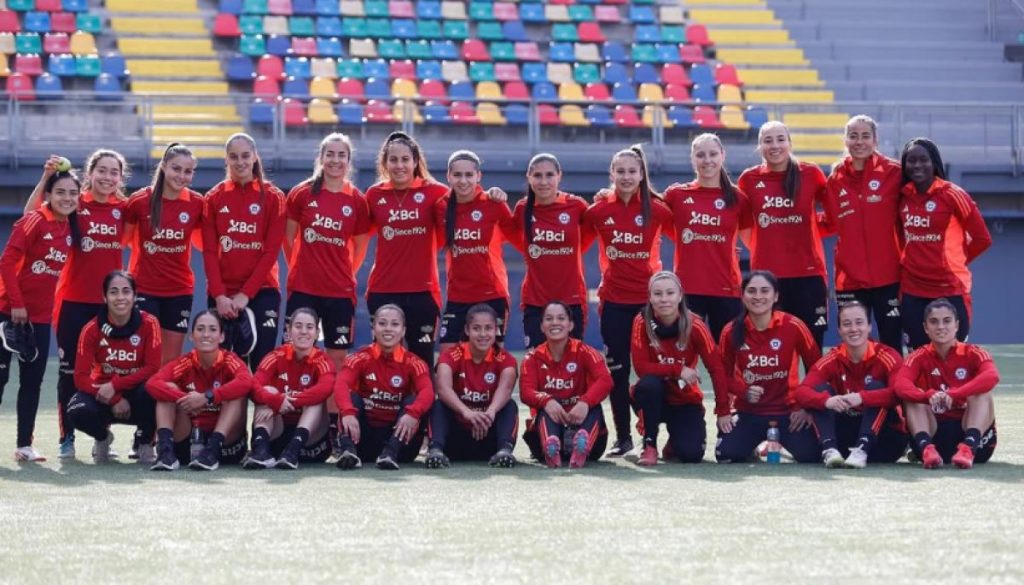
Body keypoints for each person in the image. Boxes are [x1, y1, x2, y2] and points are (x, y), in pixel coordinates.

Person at [23, 151, 130, 459]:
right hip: (72, 304)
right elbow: (31, 216)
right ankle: (66, 438)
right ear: (89, 173)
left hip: (110, 308)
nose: (108, 177)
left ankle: (101, 437)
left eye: (114, 173)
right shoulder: (74, 202)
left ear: (120, 179)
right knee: (68, 374)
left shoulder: (123, 209)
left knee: (108, 371)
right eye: (102, 171)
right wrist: (45, 179)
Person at [583, 145, 673, 457]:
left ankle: (656, 438)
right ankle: (623, 438)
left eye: (632, 171)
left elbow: (689, 233)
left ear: (641, 174)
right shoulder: (598, 210)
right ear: (611, 174)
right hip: (614, 303)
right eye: (619, 171)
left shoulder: (657, 209)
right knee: (617, 374)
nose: (625, 176)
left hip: (649, 306)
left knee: (653, 372)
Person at [0, 170, 79, 462]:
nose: (67, 198)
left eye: (73, 193)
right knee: (1, 379)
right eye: (60, 192)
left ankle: (24, 445)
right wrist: (17, 305)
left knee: (32, 382)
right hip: (8, 311)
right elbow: (6, 262)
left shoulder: (70, 227)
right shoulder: (35, 219)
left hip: (41, 318)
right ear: (48, 194)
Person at [360, 132, 450, 368]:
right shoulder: (374, 194)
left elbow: (447, 233)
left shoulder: (437, 192)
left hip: (423, 292)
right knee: (383, 360)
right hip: (383, 290)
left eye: (405, 159)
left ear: (415, 161)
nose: (399, 166)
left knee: (422, 360)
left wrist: (492, 195)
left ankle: (422, 407)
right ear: (385, 163)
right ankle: (380, 406)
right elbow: (357, 235)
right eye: (393, 160)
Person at [738, 122, 830, 349]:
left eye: (780, 139)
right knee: (770, 347)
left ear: (789, 143)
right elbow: (744, 225)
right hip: (767, 278)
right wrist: (766, 247)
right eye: (768, 140)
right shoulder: (748, 180)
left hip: (808, 275)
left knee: (812, 346)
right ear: (760, 146)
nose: (775, 145)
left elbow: (834, 214)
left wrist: (810, 229)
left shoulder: (811, 173)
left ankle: (812, 387)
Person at [716, 270, 822, 463]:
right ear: (742, 295)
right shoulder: (730, 331)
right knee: (727, 455)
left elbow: (817, 369)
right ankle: (753, 446)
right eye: (752, 291)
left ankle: (781, 444)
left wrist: (805, 407)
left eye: (765, 291)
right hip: (748, 412)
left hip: (789, 413)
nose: (758, 297)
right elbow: (721, 375)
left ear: (776, 296)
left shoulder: (793, 326)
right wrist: (742, 392)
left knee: (813, 455)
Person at [283, 133, 369, 367]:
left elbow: (361, 247)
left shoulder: (357, 201)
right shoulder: (301, 193)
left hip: (339, 291)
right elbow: (287, 239)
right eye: (330, 154)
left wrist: (343, 272)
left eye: (342, 155)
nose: (335, 160)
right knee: (296, 352)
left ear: (348, 161)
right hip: (303, 287)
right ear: (321, 158)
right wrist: (300, 267)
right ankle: (297, 402)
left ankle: (331, 406)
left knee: (337, 357)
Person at [202, 133, 286, 369]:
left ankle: (263, 408)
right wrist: (219, 296)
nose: (240, 162)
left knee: (263, 365)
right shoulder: (213, 198)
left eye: (245, 156)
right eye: (233, 156)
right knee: (225, 368)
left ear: (255, 157)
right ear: (226, 160)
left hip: (263, 292)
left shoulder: (274, 197)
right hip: (223, 296)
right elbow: (209, 251)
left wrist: (246, 294)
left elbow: (271, 252)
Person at [898, 138, 992, 349]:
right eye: (911, 161)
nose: (917, 165)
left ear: (935, 163)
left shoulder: (953, 195)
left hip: (950, 289)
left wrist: (955, 260)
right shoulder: (903, 196)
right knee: (918, 356)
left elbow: (982, 239)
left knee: (953, 357)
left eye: (924, 160)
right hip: (913, 290)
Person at [629, 272, 729, 466]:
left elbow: (717, 369)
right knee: (648, 384)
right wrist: (679, 369)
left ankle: (675, 441)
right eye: (657, 294)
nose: (664, 299)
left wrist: (723, 409)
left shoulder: (695, 325)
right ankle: (649, 445)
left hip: (684, 399)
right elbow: (641, 368)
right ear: (650, 297)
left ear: (680, 295)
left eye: (669, 293)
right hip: (654, 397)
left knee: (691, 455)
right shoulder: (641, 322)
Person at [794, 301, 908, 468]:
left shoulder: (887, 355)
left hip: (883, 442)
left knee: (876, 388)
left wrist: (861, 398)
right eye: (847, 324)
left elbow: (899, 393)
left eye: (859, 322)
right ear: (839, 330)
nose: (854, 329)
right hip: (844, 439)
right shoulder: (832, 358)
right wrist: (826, 401)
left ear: (869, 327)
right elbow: (801, 391)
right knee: (821, 391)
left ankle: (862, 449)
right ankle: (829, 450)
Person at [825, 115, 904, 352]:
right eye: (853, 136)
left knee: (891, 341)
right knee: (854, 344)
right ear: (846, 141)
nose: (859, 141)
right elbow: (831, 222)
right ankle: (856, 390)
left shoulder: (895, 173)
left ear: (875, 140)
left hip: (889, 278)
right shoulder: (835, 179)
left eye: (865, 136)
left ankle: (897, 390)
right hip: (849, 280)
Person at [66, 271, 161, 464]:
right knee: (76, 410)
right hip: (103, 396)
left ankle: (145, 442)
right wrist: (114, 397)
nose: (120, 297)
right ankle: (102, 438)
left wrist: (116, 386)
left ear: (135, 296)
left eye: (126, 291)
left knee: (156, 391)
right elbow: (80, 378)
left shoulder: (149, 323)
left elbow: (152, 368)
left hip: (136, 396)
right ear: (104, 297)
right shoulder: (91, 329)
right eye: (113, 292)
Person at [663, 133, 750, 341]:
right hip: (687, 290)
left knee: (729, 356)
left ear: (722, 155)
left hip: (727, 289)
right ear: (692, 158)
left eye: (713, 154)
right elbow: (652, 213)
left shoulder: (738, 198)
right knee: (684, 356)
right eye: (700, 155)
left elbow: (753, 240)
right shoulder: (676, 195)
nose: (707, 160)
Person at [894, 299, 998, 469]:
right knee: (911, 396)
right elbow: (900, 385)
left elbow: (992, 376)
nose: (941, 327)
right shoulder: (917, 356)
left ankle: (967, 448)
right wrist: (926, 396)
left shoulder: (974, 353)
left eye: (947, 321)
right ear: (926, 328)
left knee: (983, 392)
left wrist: (955, 394)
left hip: (975, 440)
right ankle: (926, 448)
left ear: (957, 325)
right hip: (934, 436)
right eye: (934, 322)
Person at [124, 143, 204, 364]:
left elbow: (203, 244)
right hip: (144, 289)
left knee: (170, 360)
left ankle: (163, 399)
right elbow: (123, 241)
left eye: (188, 171)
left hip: (179, 290)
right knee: (141, 357)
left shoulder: (197, 203)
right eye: (176, 169)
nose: (181, 176)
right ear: (164, 167)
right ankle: (140, 400)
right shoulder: (140, 201)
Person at [145, 310, 252, 471]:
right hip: (188, 441)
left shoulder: (230, 360)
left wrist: (207, 397)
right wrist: (186, 398)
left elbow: (247, 382)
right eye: (200, 329)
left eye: (213, 329)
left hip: (225, 446)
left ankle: (212, 450)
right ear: (191, 336)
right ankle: (166, 453)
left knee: (236, 391)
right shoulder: (184, 362)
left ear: (222, 337)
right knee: (167, 388)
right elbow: (152, 383)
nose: (206, 334)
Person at [333, 304, 434, 470]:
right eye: (382, 323)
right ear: (373, 329)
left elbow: (428, 392)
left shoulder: (414, 362)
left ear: (403, 331)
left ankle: (390, 454)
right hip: (363, 441)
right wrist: (348, 412)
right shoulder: (359, 357)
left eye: (395, 324)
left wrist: (413, 413)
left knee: (413, 400)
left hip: (402, 445)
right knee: (351, 398)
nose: (388, 329)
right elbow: (341, 384)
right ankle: (348, 451)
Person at [434, 150, 516, 356]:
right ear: (448, 176)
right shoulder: (441, 206)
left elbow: (518, 237)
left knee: (491, 358)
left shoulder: (493, 204)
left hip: (492, 294)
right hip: (458, 296)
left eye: (469, 175)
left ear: (478, 176)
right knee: (447, 356)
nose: (463, 181)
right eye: (457, 175)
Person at [510, 154, 594, 348]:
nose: (544, 181)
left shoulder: (577, 206)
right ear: (529, 177)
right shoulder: (523, 209)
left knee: (571, 365)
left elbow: (591, 233)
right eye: (537, 175)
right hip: (535, 301)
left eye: (549, 175)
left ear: (559, 176)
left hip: (571, 299)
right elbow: (515, 237)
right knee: (536, 363)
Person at [520, 301, 612, 469]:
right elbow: (526, 392)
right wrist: (546, 400)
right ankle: (551, 447)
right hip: (544, 432)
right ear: (541, 326)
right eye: (549, 318)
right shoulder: (532, 358)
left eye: (561, 318)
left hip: (588, 435)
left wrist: (584, 402)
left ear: (570, 325)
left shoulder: (585, 351)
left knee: (594, 407)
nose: (555, 322)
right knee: (544, 409)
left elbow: (606, 380)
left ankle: (581, 447)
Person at [425, 303, 519, 468]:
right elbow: (442, 388)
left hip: (488, 439)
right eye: (476, 328)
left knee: (510, 405)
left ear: (496, 330)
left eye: (488, 328)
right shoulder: (450, 356)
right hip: (455, 441)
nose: (483, 334)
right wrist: (466, 412)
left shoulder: (506, 360)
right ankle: (435, 451)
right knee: (439, 405)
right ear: (467, 330)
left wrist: (490, 413)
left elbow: (505, 389)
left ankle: (505, 451)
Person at [246, 308, 336, 470]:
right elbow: (254, 386)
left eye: (309, 327)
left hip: (310, 443)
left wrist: (290, 402)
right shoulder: (275, 356)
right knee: (268, 392)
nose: (303, 332)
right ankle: (261, 450)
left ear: (317, 333)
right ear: (288, 331)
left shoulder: (323, 360)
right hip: (277, 435)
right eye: (298, 326)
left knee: (316, 399)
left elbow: (326, 388)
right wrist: (276, 400)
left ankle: (293, 450)